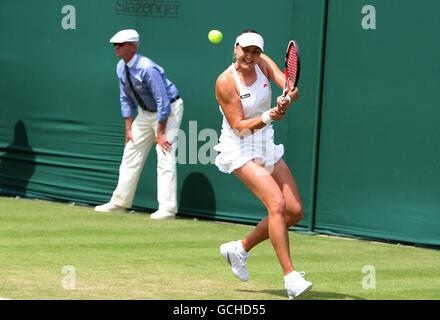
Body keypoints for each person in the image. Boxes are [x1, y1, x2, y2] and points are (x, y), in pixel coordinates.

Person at [214, 30, 312, 299]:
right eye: (245, 50)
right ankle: (291, 278)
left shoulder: (263, 63)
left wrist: (285, 100)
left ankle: (239, 249)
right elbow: (239, 127)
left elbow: (293, 89)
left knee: (294, 211)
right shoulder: (225, 81)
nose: (250, 56)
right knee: (277, 204)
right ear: (235, 48)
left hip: (264, 144)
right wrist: (270, 115)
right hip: (239, 147)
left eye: (255, 51)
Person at [95, 29, 184, 220]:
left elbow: (163, 102)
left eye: (121, 44)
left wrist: (160, 133)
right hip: (144, 114)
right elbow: (125, 98)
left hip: (169, 111)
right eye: (115, 45)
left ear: (133, 47)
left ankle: (167, 209)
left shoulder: (147, 68)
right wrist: (128, 128)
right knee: (130, 153)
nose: (116, 47)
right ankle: (120, 202)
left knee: (164, 154)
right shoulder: (121, 67)